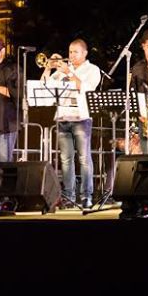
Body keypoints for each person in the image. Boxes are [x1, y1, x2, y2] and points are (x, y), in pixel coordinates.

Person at [41, 39, 101, 209]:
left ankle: (86, 196)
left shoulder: (92, 70)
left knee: (84, 159)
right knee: (66, 160)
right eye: (70, 52)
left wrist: (69, 73)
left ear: (84, 53)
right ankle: (68, 195)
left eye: (75, 52)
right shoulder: (61, 71)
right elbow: (45, 86)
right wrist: (48, 67)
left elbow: (87, 88)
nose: (71, 55)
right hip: (63, 117)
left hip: (81, 118)